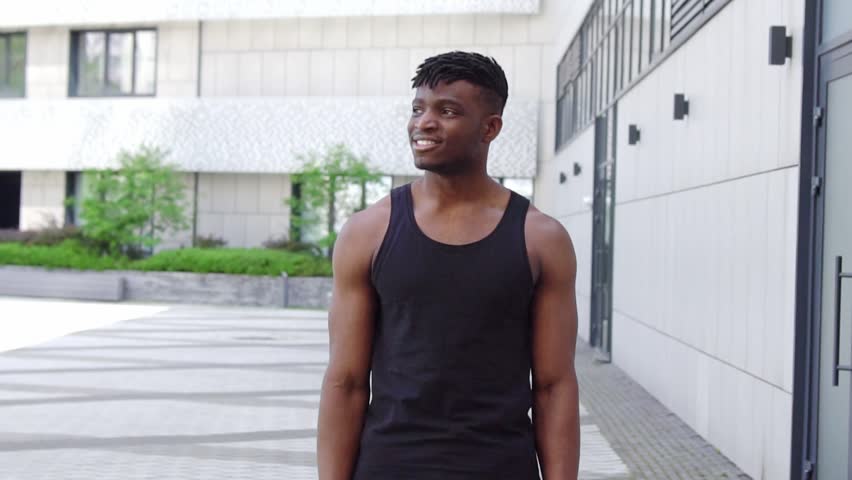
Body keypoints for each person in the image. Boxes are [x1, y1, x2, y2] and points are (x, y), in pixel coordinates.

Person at [317, 51, 580, 480]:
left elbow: (554, 386)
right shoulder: (367, 232)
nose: (424, 123)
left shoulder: (540, 239)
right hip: (388, 466)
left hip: (500, 467)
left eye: (448, 111)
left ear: (490, 127)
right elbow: (345, 381)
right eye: (418, 108)